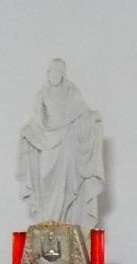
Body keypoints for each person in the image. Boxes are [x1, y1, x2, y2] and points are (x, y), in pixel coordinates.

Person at [16, 58, 105, 230]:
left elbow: (83, 113)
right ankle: (48, 225)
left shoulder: (72, 94)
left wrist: (92, 117)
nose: (54, 75)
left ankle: (65, 225)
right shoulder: (41, 95)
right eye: (51, 71)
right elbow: (38, 122)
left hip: (66, 148)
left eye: (58, 72)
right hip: (47, 146)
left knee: (67, 186)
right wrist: (28, 131)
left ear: (63, 75)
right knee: (45, 181)